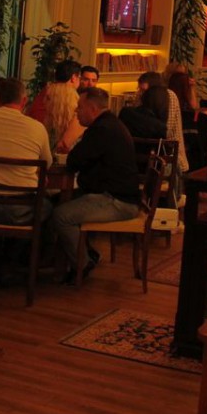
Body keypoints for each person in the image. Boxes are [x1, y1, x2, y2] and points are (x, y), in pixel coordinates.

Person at [52, 88, 140, 282]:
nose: (76, 111)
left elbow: (75, 160)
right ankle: (84, 254)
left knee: (61, 215)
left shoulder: (101, 130)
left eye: (79, 107)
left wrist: (71, 153)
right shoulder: (110, 124)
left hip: (117, 201)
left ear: (92, 109)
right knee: (56, 202)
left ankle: (82, 264)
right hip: (119, 195)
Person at [0, 78, 54, 283]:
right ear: (24, 100)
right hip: (23, 211)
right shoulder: (37, 128)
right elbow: (47, 162)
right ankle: (12, 261)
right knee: (47, 208)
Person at [168, 68, 207, 165]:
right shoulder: (181, 104)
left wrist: (192, 87)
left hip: (189, 136)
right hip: (190, 138)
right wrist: (192, 88)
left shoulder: (171, 100)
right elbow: (194, 108)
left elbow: (194, 109)